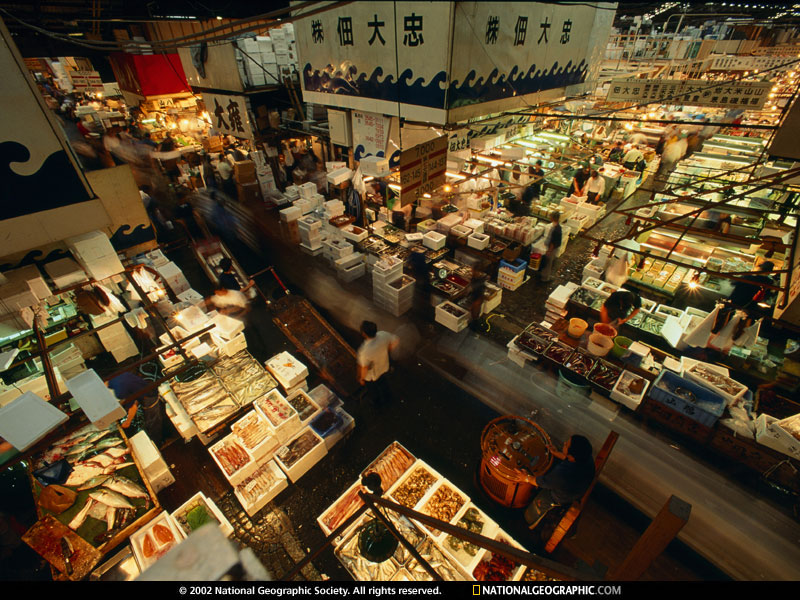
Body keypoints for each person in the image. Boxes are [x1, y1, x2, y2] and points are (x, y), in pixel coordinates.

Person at [524, 435, 595, 529]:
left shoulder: (563, 474)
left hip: (562, 497)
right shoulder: (587, 458)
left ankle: (530, 523)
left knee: (532, 512)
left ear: (572, 456)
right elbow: (571, 459)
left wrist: (526, 478)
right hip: (578, 487)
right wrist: (556, 453)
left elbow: (543, 482)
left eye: (566, 445)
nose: (564, 443)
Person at [107, 372, 165, 446]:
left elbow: (133, 408)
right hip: (148, 390)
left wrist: (127, 422)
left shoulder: (119, 391)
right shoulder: (117, 376)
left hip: (149, 398)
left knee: (153, 423)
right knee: (157, 416)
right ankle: (162, 435)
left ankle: (157, 444)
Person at [357, 320, 399, 405]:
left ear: (364, 333)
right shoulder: (383, 334)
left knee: (373, 390)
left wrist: (361, 378)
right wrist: (386, 350)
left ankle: (377, 403)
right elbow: (396, 340)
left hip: (372, 376)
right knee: (383, 383)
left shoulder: (364, 351)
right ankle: (389, 398)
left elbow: (364, 368)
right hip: (384, 367)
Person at [539, 211, 563, 283]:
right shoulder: (556, 226)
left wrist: (549, 250)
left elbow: (553, 242)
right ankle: (544, 274)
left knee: (548, 262)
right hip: (551, 247)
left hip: (552, 248)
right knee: (548, 261)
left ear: (553, 218)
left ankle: (545, 278)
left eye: (550, 216)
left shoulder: (556, 230)